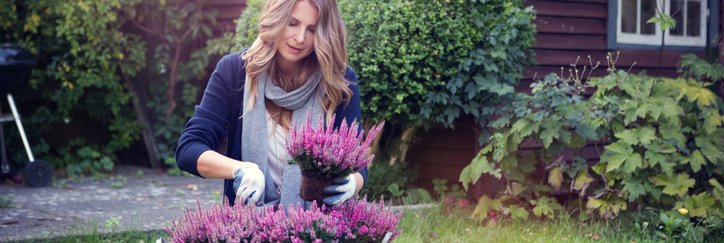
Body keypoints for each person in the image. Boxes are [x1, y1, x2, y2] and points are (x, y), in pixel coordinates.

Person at [175, 0, 366, 207]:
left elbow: (357, 162)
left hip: (316, 229)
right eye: (292, 23)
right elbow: (189, 149)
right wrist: (240, 169)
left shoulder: (338, 80)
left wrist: (352, 182)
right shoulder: (233, 71)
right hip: (246, 226)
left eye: (312, 29)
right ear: (276, 18)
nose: (300, 38)